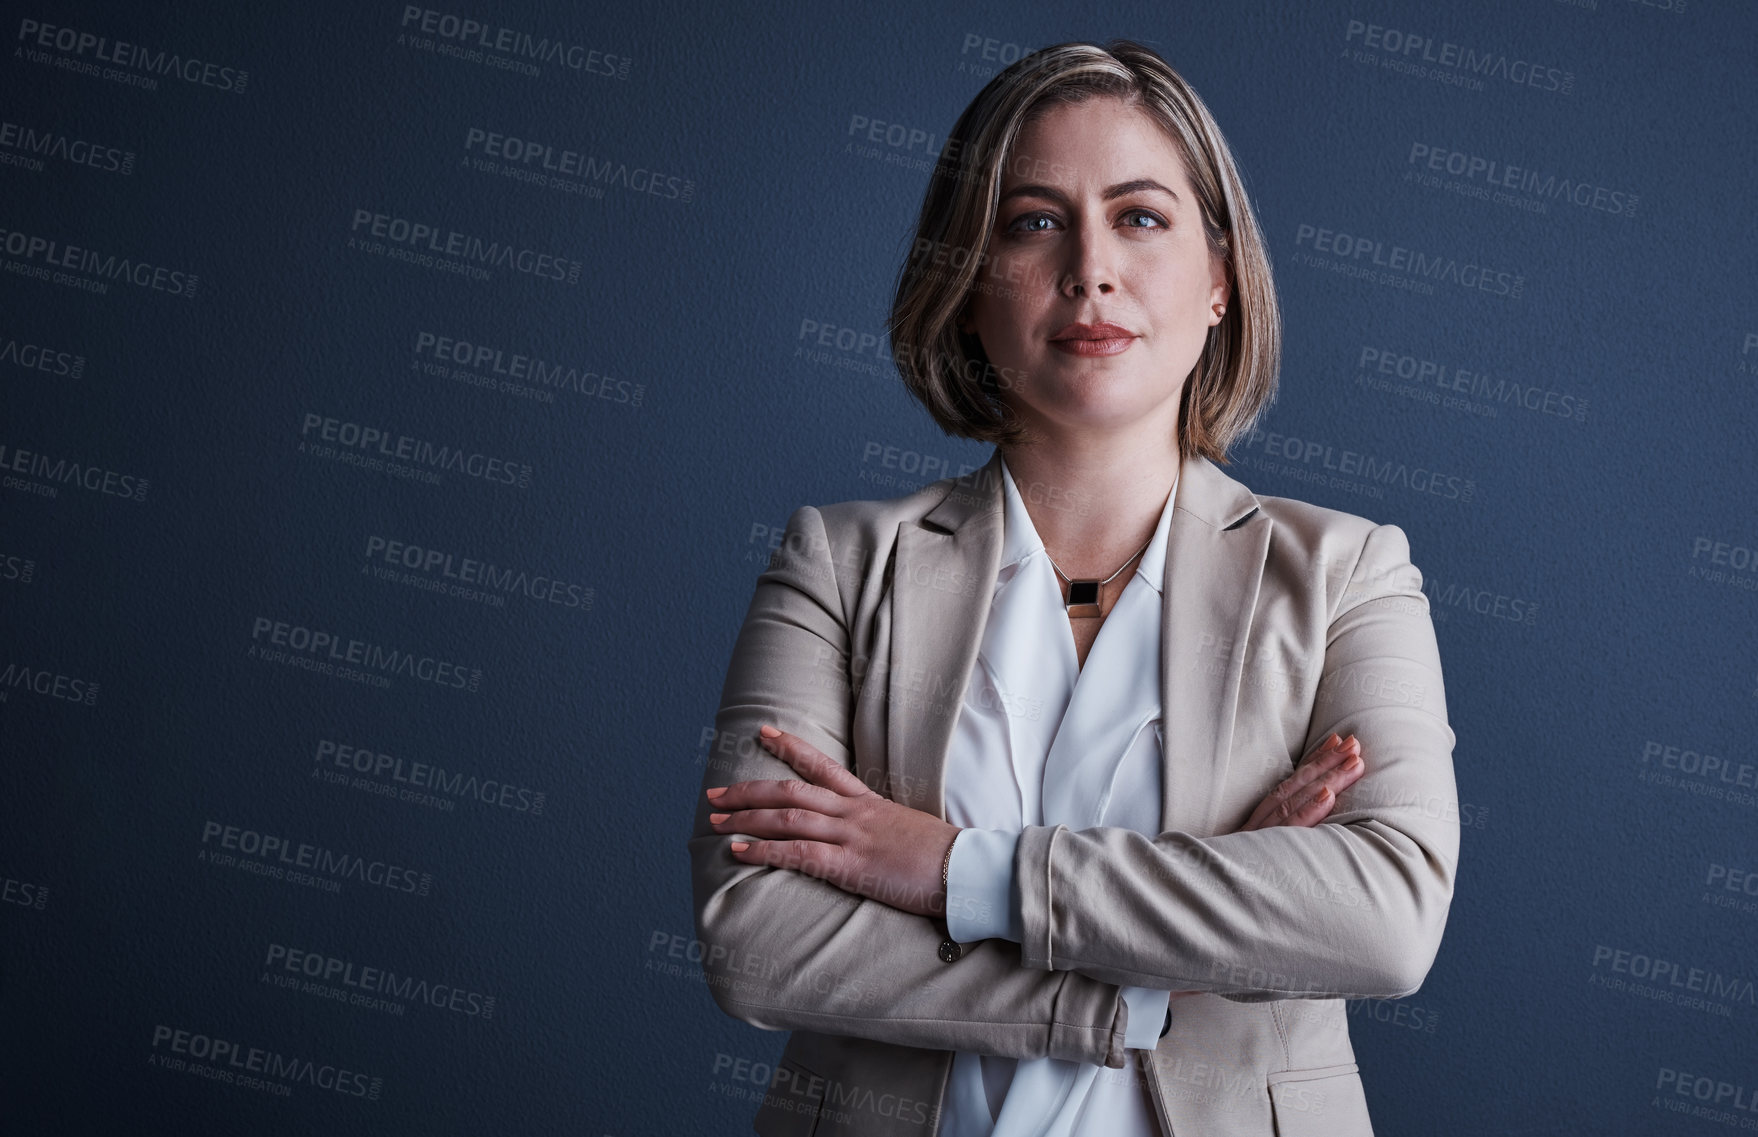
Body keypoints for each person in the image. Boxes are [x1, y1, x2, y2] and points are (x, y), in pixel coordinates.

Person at [688, 39, 1458, 1137]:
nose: (1090, 267)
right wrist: (1166, 957)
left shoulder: (1346, 575)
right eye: (1033, 221)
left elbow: (1383, 920)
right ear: (965, 284)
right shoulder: (836, 564)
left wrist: (955, 870)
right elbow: (757, 940)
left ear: (1220, 279)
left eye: (1141, 217)